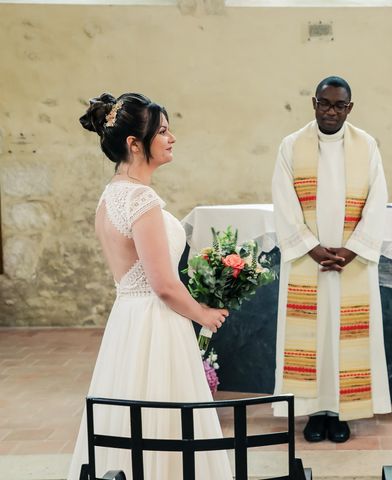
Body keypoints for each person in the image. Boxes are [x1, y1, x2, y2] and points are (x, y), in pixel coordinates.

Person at [67, 93, 232, 480]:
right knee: (164, 425)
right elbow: (163, 285)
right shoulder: (141, 199)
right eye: (162, 131)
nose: (172, 138)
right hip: (157, 325)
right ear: (134, 143)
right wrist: (204, 315)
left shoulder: (110, 197)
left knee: (129, 421)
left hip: (127, 321)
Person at [271, 76, 391, 443]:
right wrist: (311, 247)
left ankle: (339, 411)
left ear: (349, 108)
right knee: (314, 340)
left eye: (339, 105)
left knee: (343, 339)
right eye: (325, 103)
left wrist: (352, 249)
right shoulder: (291, 146)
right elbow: (283, 202)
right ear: (314, 103)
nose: (331, 111)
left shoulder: (366, 145)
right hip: (309, 263)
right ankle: (314, 411)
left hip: (350, 263)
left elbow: (377, 201)